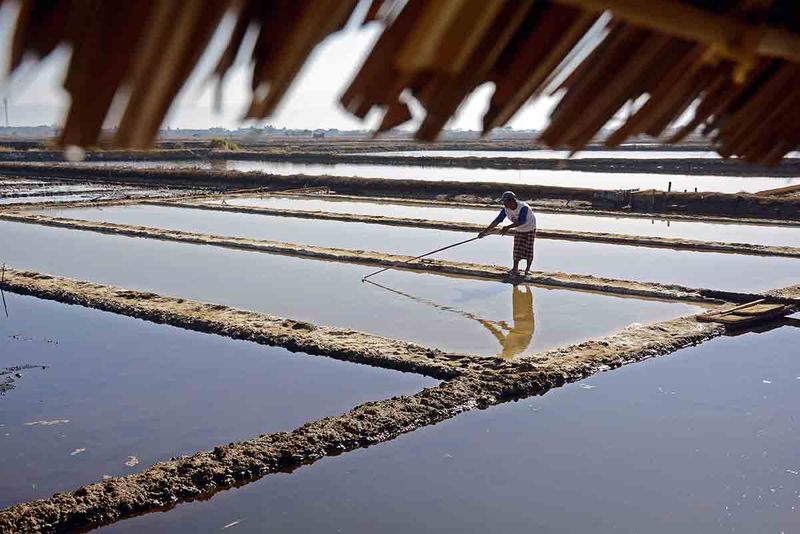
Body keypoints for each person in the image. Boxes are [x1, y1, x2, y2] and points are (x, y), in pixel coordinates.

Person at [478, 191, 536, 279]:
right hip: (519, 229)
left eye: (505, 202)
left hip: (530, 228)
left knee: (528, 249)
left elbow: (522, 221)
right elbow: (497, 221)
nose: (504, 204)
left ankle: (527, 270)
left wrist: (507, 227)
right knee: (517, 249)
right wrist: (484, 232)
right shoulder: (506, 209)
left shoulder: (523, 207)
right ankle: (515, 269)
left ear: (512, 201)